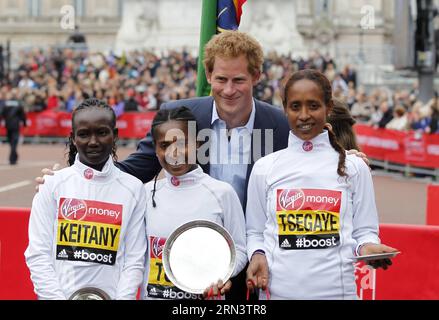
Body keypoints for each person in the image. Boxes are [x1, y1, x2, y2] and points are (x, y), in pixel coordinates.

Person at [36, 30, 367, 300]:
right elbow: (134, 169)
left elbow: (311, 152)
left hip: (254, 258)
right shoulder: (183, 116)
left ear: (256, 76)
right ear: (208, 74)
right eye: (220, 79)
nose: (228, 89)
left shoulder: (278, 123)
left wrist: (343, 157)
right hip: (191, 261)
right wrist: (76, 176)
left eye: (239, 80)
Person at [245, 70, 398, 300]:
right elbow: (255, 232)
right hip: (277, 295)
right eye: (295, 106)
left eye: (313, 106)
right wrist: (257, 254)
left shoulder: (355, 167)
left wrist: (366, 248)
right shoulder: (265, 168)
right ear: (285, 109)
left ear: (328, 107)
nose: (304, 115)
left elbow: (365, 231)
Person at [25, 98, 146, 300]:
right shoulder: (53, 185)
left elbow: (134, 261)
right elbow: (38, 254)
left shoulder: (133, 189)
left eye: (101, 132)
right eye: (83, 134)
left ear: (114, 135)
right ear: (73, 138)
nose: (93, 141)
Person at [142, 106, 247, 300]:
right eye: (164, 145)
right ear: (155, 148)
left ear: (198, 143)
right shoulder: (145, 194)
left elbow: (240, 249)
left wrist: (222, 275)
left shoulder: (221, 193)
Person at [1, 89, 26, 165]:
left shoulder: (6, 103)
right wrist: (24, 123)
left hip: (8, 124)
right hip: (15, 125)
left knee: (10, 141)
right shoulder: (18, 103)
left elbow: (2, 113)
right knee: (14, 142)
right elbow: (22, 115)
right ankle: (13, 157)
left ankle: (13, 157)